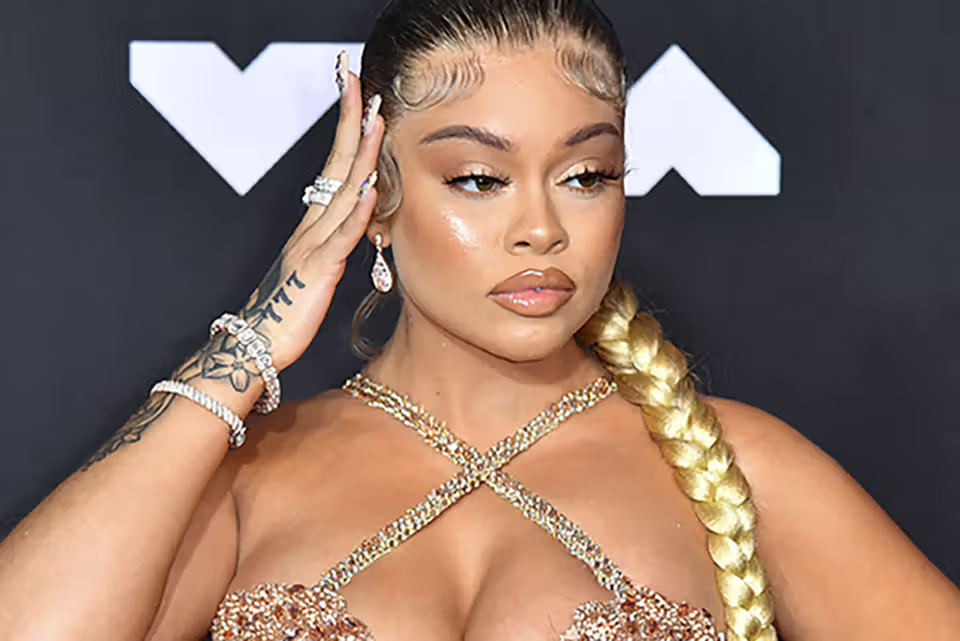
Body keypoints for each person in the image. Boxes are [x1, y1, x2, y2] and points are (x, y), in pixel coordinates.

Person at [2, 0, 959, 639]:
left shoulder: (742, 466)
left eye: (586, 174)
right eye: (477, 178)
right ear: (374, 196)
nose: (542, 227)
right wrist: (253, 340)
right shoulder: (247, 479)